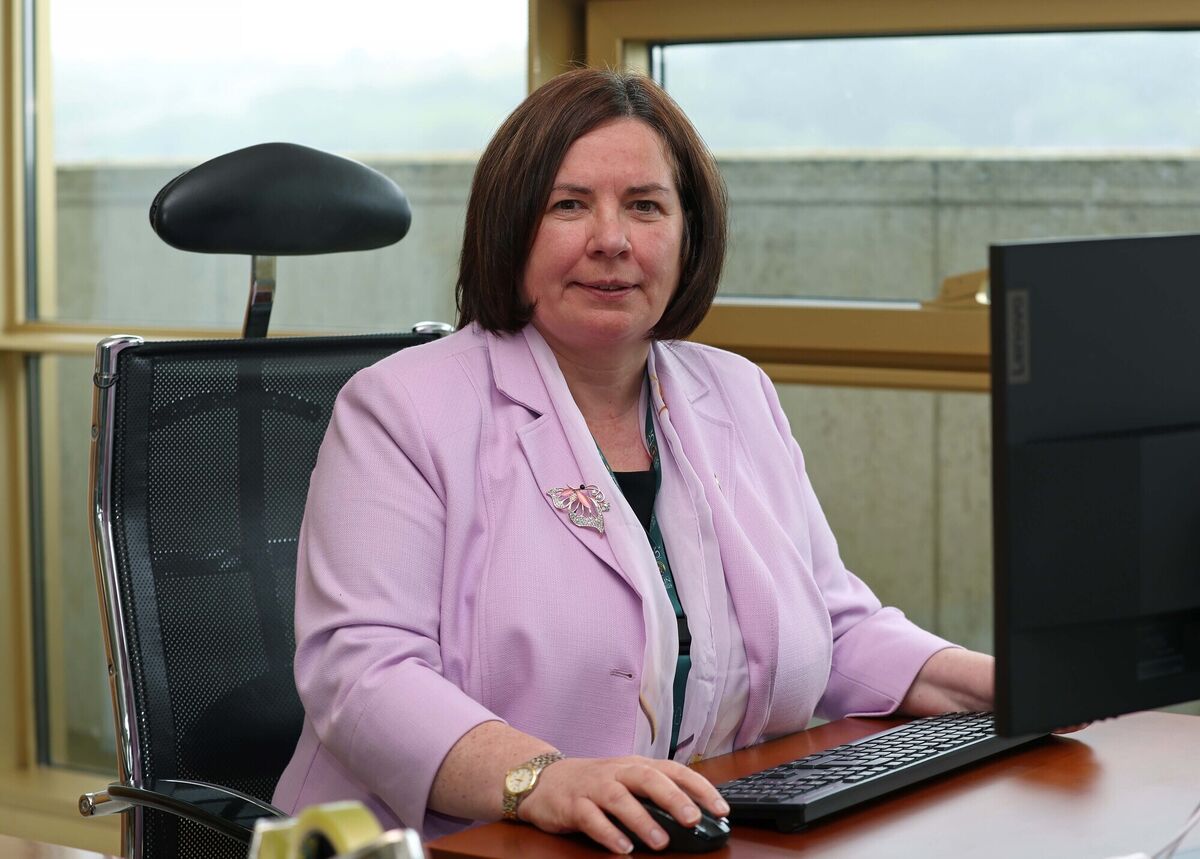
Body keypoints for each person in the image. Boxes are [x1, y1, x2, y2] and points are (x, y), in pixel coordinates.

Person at [271, 68, 996, 854]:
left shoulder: (737, 391)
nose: (611, 239)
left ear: (688, 235)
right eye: (569, 204)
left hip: (685, 831)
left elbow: (831, 621)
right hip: (450, 840)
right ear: (511, 229)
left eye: (645, 206)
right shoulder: (401, 407)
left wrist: (997, 682)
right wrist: (541, 777)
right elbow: (364, 672)